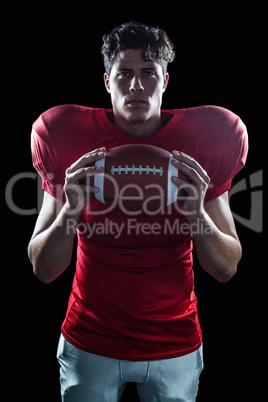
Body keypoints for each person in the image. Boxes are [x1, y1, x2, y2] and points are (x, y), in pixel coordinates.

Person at [28, 22, 248, 401]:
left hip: (174, 340)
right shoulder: (63, 134)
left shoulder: (209, 136)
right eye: (124, 74)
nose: (135, 86)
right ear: (106, 81)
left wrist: (196, 213)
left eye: (148, 73)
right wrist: (71, 210)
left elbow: (226, 268)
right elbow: (43, 268)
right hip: (90, 337)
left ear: (165, 81)